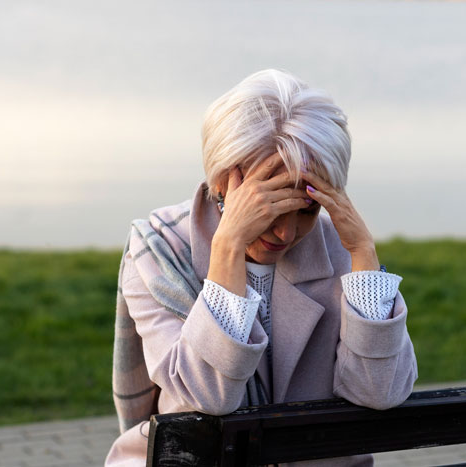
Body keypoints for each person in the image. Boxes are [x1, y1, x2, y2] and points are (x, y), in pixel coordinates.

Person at [106, 69, 417, 466]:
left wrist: (363, 252)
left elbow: (381, 392)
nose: (287, 232)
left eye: (306, 209)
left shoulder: (339, 250)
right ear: (221, 180)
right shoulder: (161, 248)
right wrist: (229, 246)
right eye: (271, 206)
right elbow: (207, 396)